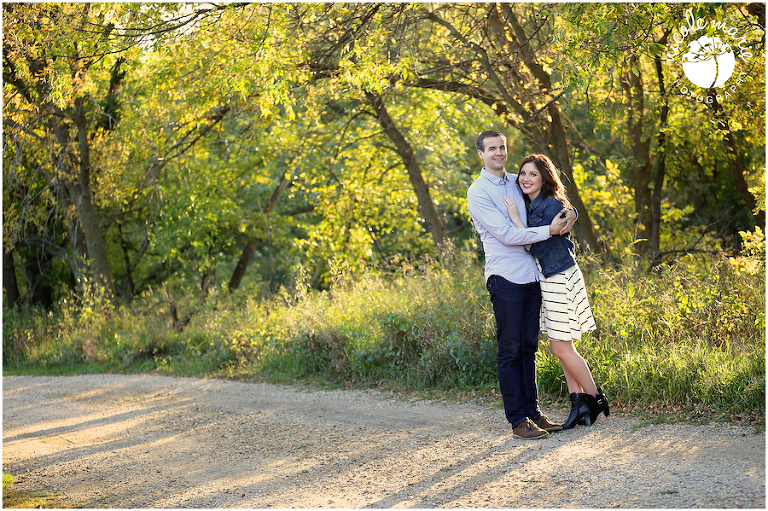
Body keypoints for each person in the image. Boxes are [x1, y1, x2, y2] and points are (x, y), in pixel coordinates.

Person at [467, 130, 577, 440]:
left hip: (532, 275)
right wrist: (550, 231)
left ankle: (534, 412)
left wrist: (570, 213)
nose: (499, 153)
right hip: (505, 277)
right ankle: (517, 420)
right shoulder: (478, 192)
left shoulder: (517, 180)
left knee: (529, 348)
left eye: (502, 147)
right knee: (510, 350)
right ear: (481, 154)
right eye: (492, 149)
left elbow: (551, 196)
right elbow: (507, 235)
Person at [503, 153, 609, 429]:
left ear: (545, 178)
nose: (526, 178)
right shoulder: (534, 204)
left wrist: (516, 220)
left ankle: (596, 398)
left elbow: (536, 246)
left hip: (559, 277)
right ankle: (578, 404)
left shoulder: (551, 206)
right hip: (548, 279)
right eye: (522, 173)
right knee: (562, 346)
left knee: (560, 347)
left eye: (533, 174)